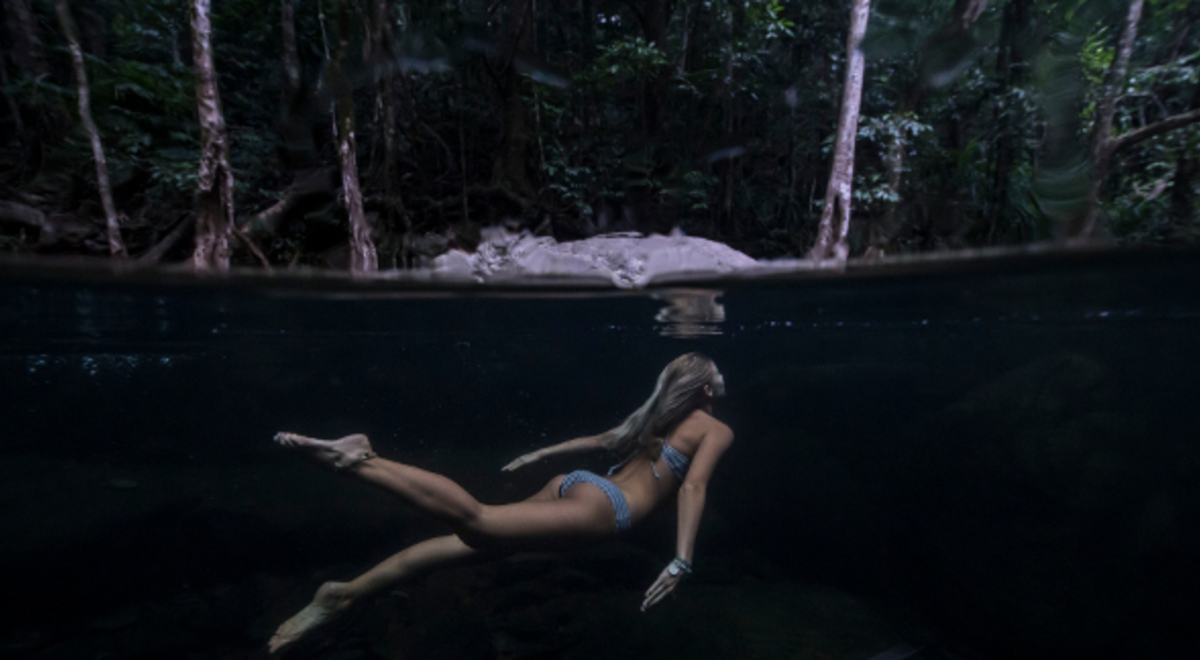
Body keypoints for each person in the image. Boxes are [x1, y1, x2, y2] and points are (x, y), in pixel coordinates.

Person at [267, 352, 733, 654]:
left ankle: (345, 594)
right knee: (479, 520)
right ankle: (360, 461)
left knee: (470, 545)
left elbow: (604, 439)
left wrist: (541, 455)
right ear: (707, 390)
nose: (723, 377)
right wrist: (682, 561)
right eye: (719, 374)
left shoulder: (660, 417)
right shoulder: (715, 429)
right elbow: (693, 487)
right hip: (605, 510)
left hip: (578, 485)